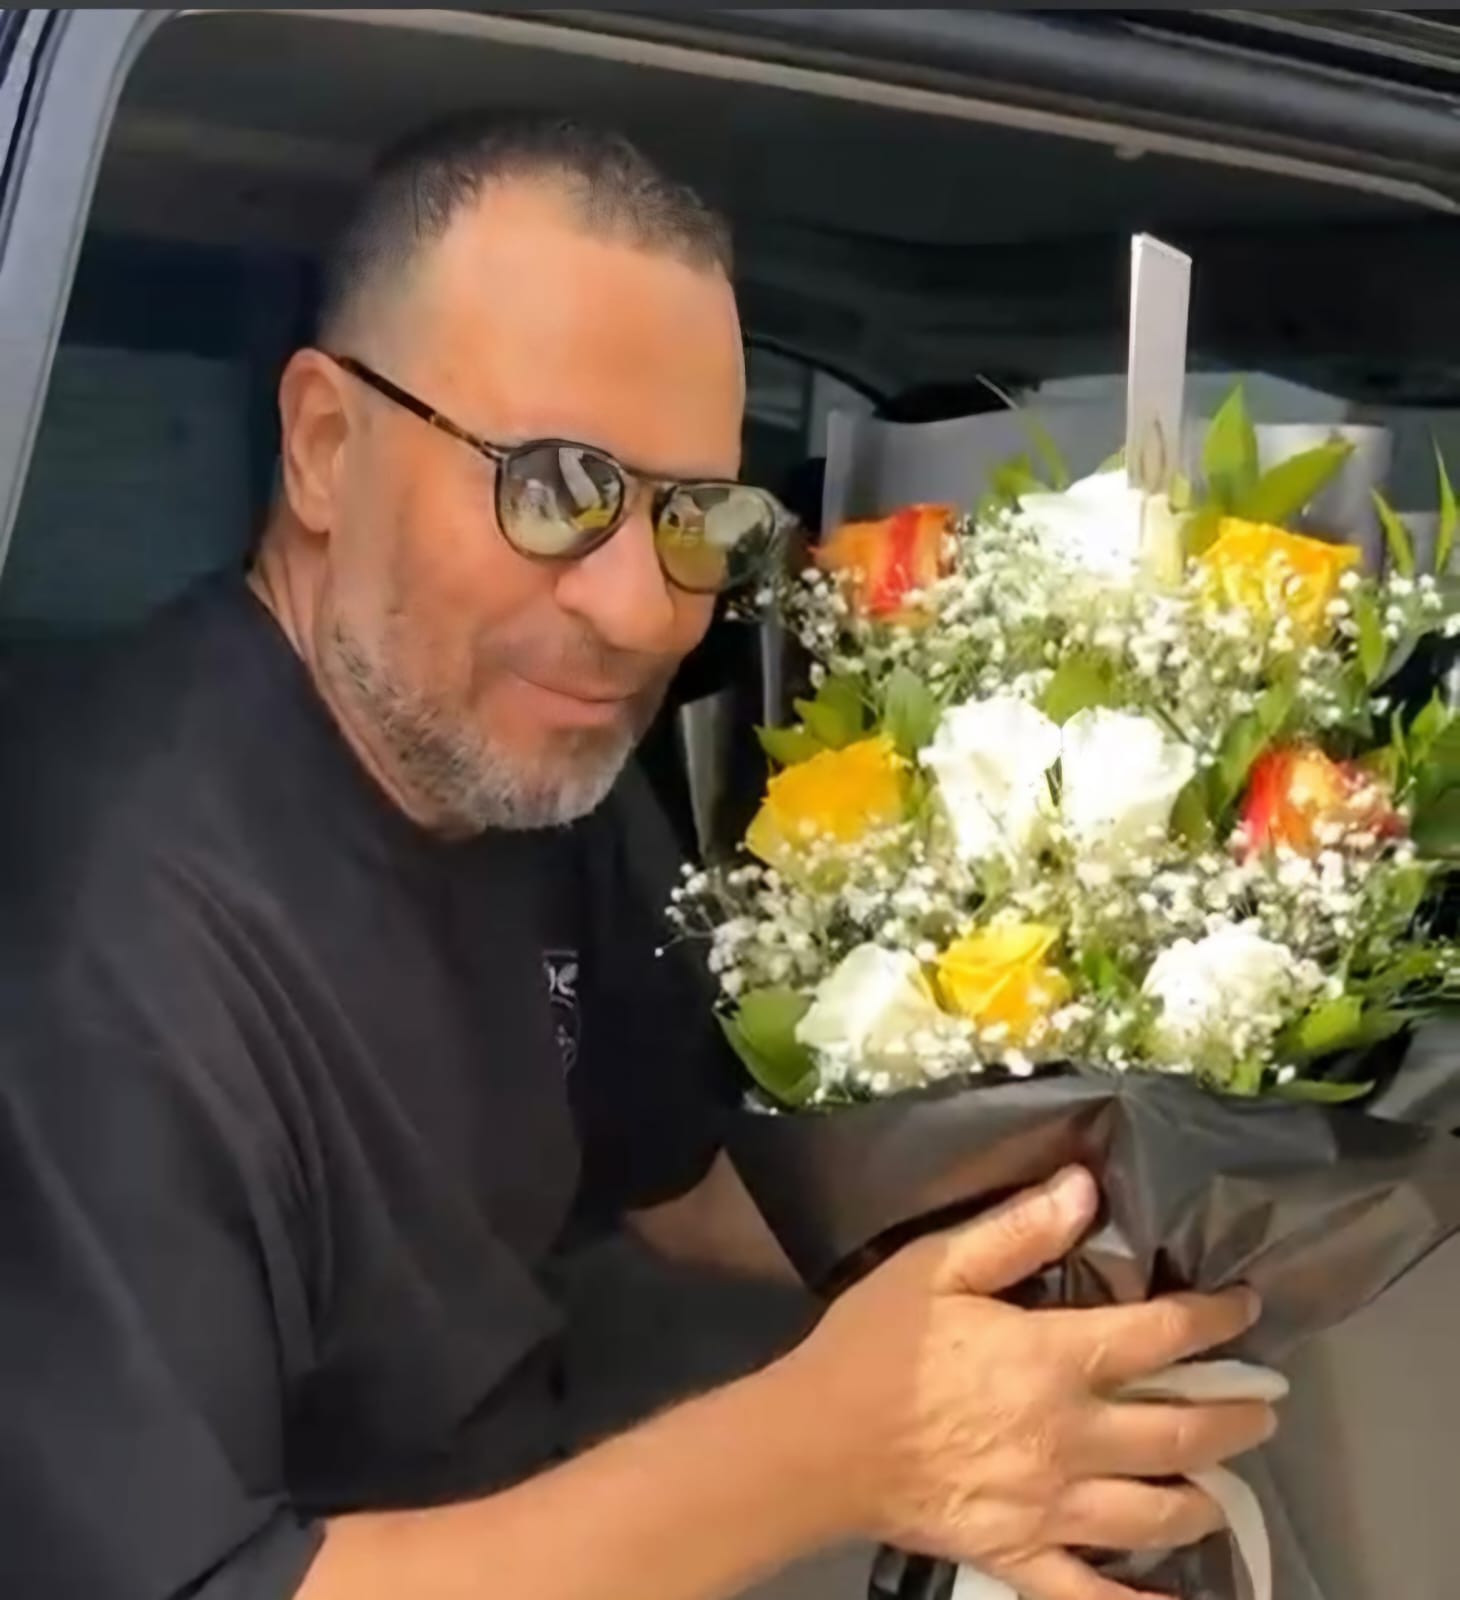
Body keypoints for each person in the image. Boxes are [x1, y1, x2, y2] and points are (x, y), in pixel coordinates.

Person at [0, 116, 1275, 1600]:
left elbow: (682, 1175)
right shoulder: (102, 935)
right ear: (327, 449)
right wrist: (834, 1447)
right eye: (554, 489)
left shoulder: (522, 766)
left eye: (696, 517)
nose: (639, 613)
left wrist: (1078, 1250)